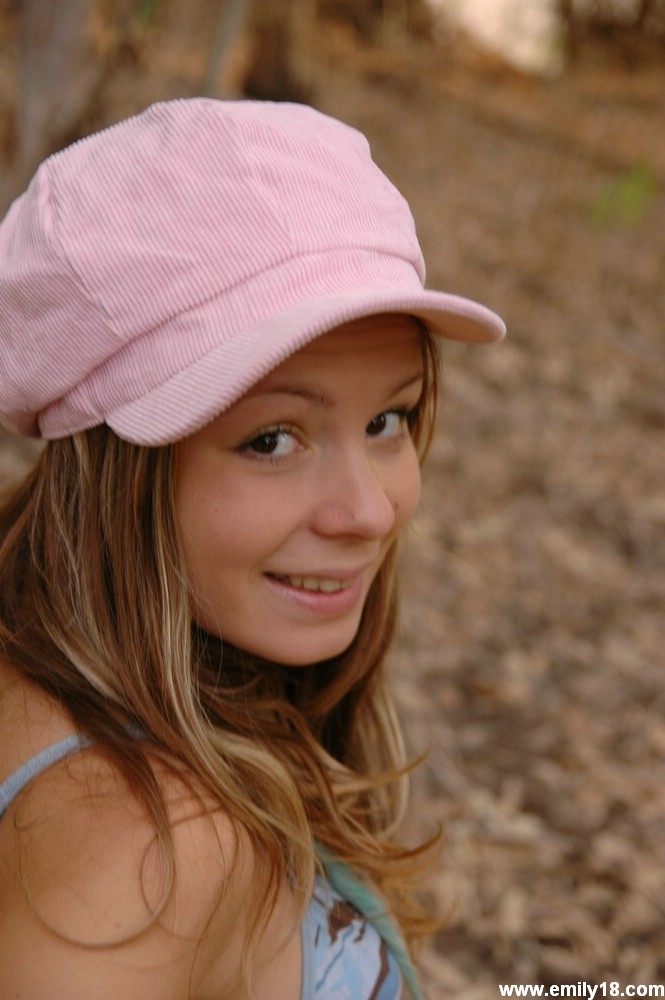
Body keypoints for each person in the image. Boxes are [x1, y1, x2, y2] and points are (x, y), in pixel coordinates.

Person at [0, 98, 505, 999]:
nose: (369, 512)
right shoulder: (149, 860)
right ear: (119, 472)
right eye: (272, 439)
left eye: (388, 420)